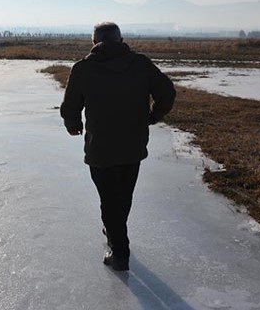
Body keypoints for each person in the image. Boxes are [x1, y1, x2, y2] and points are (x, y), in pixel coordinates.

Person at [60, 22, 176, 271]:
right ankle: (114, 230)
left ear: (94, 43)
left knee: (109, 199)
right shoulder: (140, 64)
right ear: (121, 40)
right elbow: (167, 92)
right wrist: (152, 116)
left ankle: (120, 252)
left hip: (100, 146)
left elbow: (70, 106)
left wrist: (73, 124)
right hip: (132, 145)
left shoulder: (83, 69)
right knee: (122, 195)